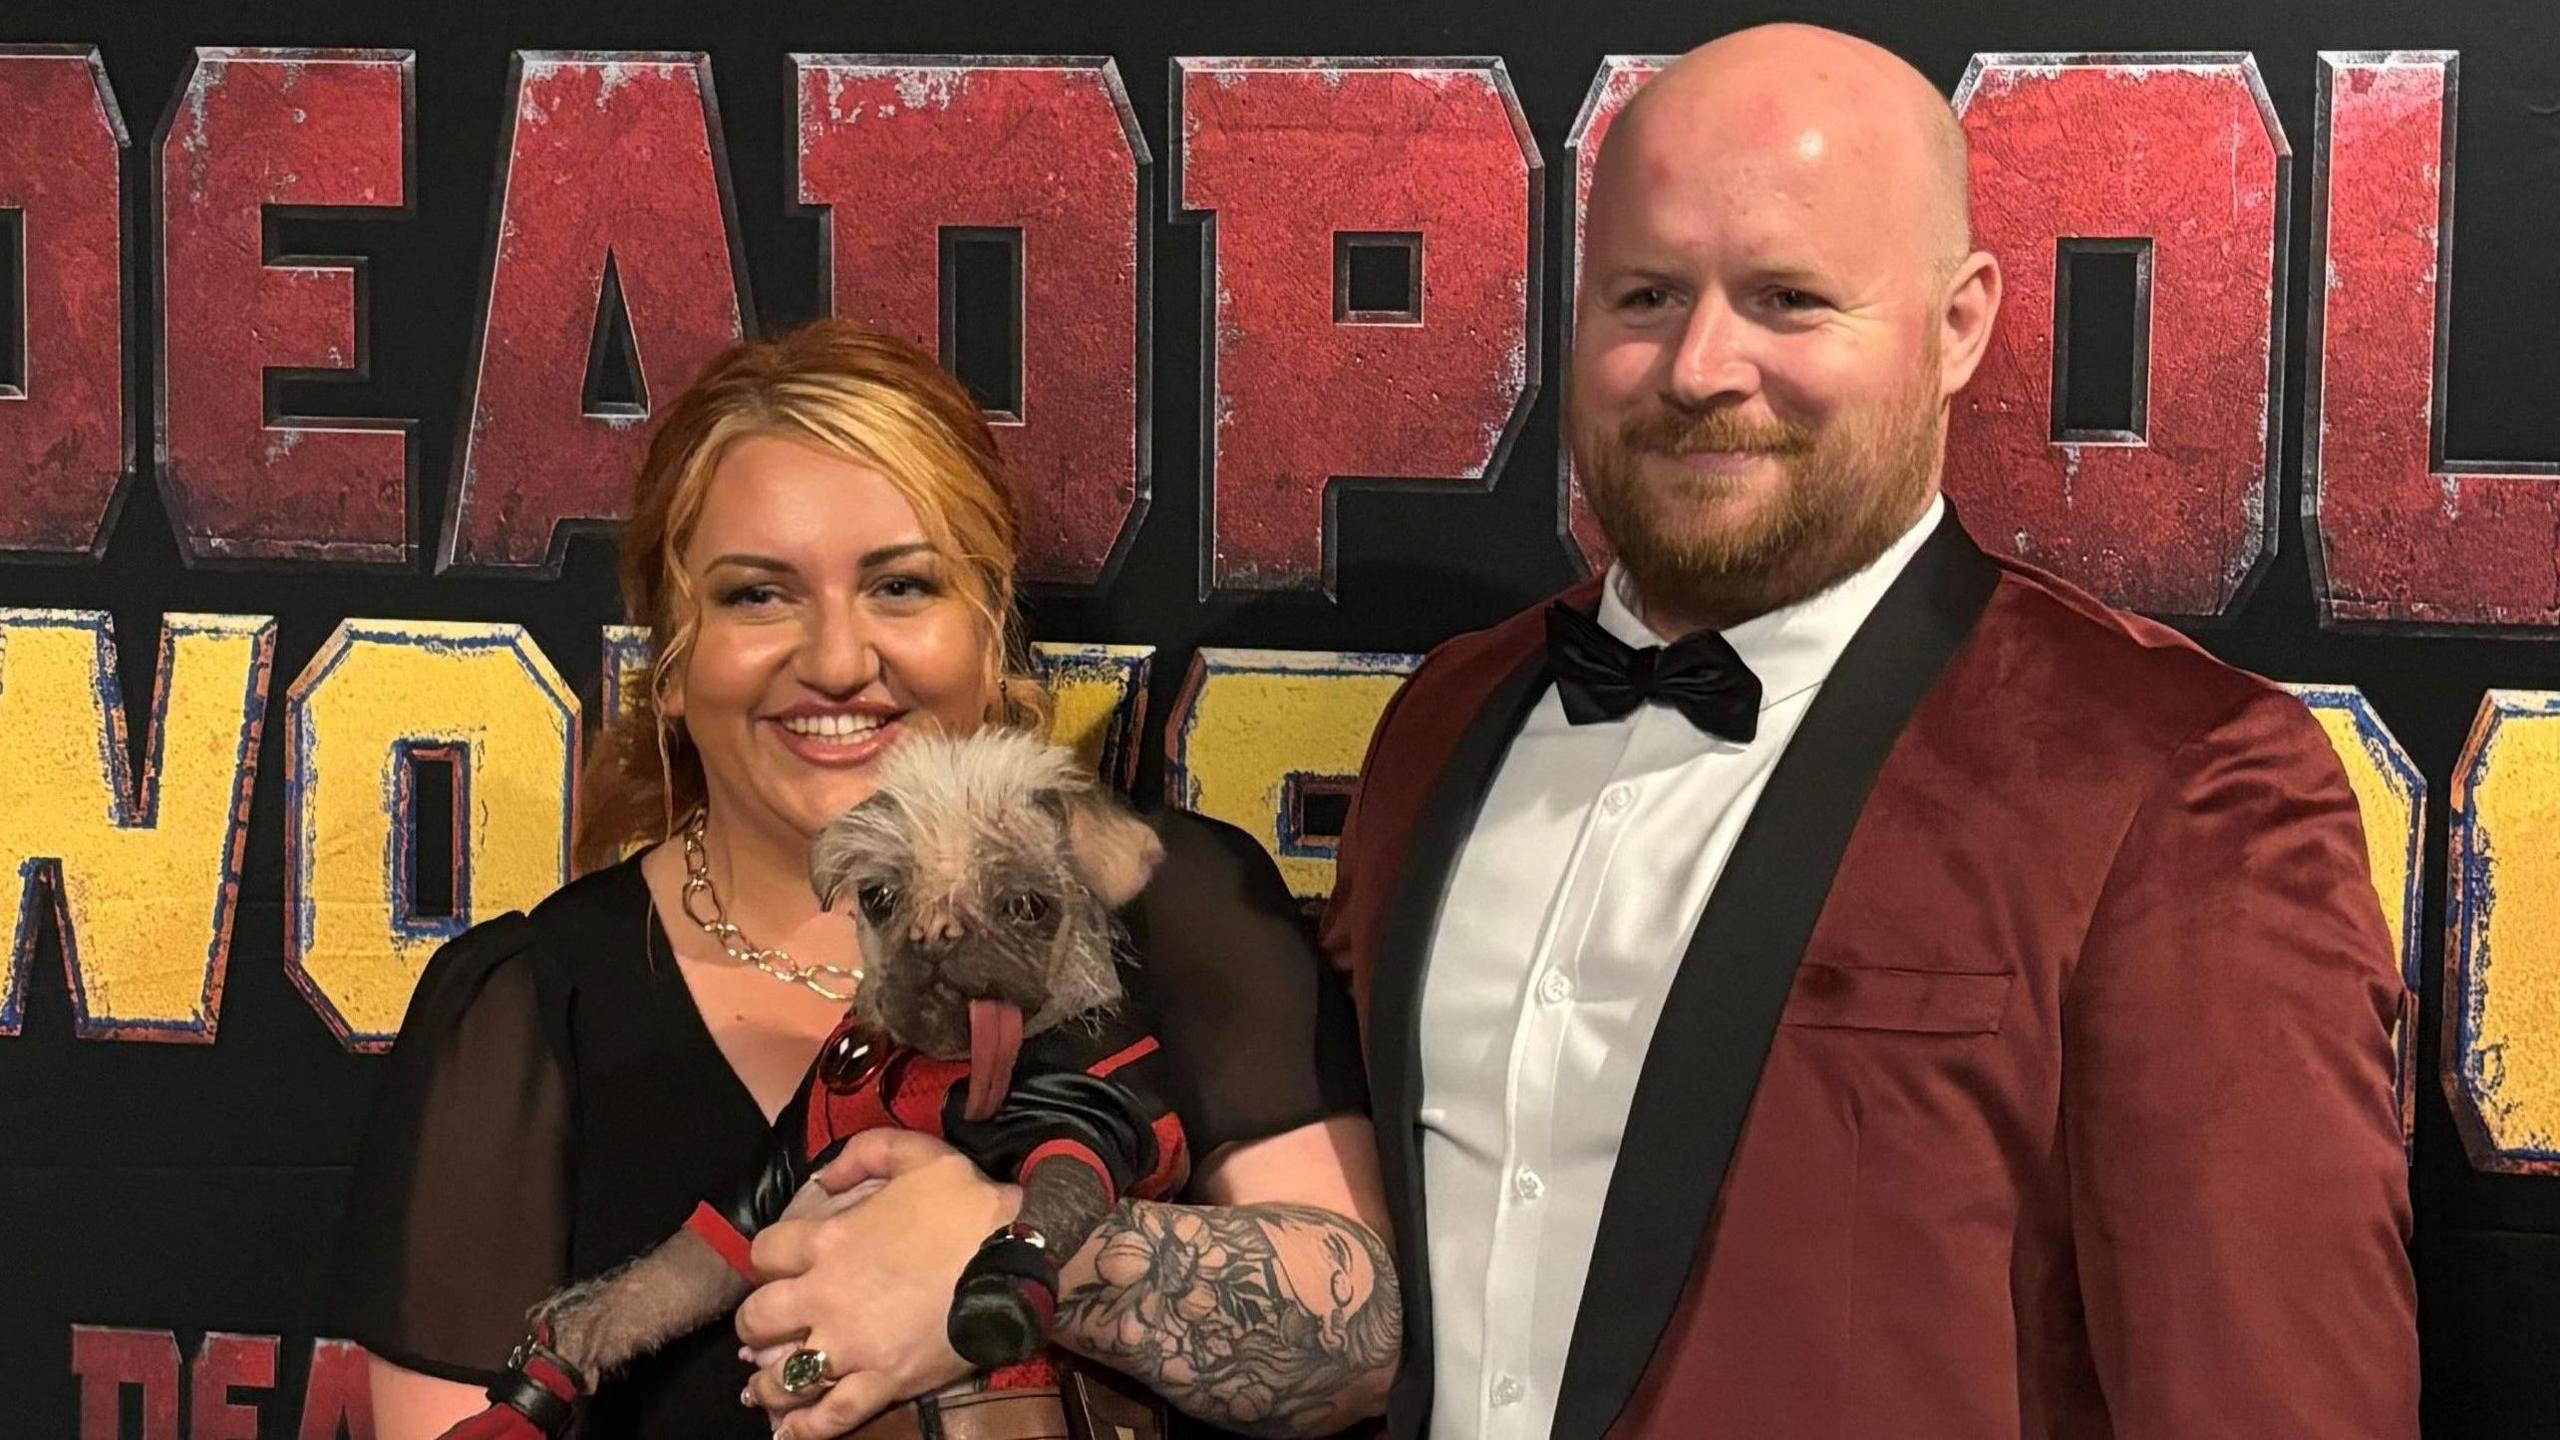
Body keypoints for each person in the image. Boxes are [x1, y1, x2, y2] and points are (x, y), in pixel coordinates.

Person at [1318, 23, 2419, 1440]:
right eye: (1646, 295)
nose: (1701, 366)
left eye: (1786, 298)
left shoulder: (2176, 786)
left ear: (1958, 325)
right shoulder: (1443, 724)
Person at [327, 320, 1399, 1440]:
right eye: (756, 595)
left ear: (987, 635)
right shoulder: (521, 1012)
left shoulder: (1173, 906)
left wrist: (1000, 1264)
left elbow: (1361, 1347)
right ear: (673, 664)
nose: (838, 659)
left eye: (900, 586)